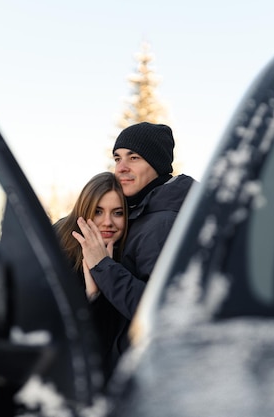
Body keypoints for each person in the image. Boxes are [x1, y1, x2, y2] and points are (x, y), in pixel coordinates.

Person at [73, 121, 196, 362]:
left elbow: (160, 311)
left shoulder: (162, 224)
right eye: (117, 158)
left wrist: (102, 266)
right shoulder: (142, 212)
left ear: (157, 164)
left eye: (134, 158)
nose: (121, 168)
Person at [53, 171, 128, 381]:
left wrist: (96, 294)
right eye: (98, 211)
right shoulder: (59, 248)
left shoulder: (121, 257)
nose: (108, 222)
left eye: (118, 213)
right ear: (84, 211)